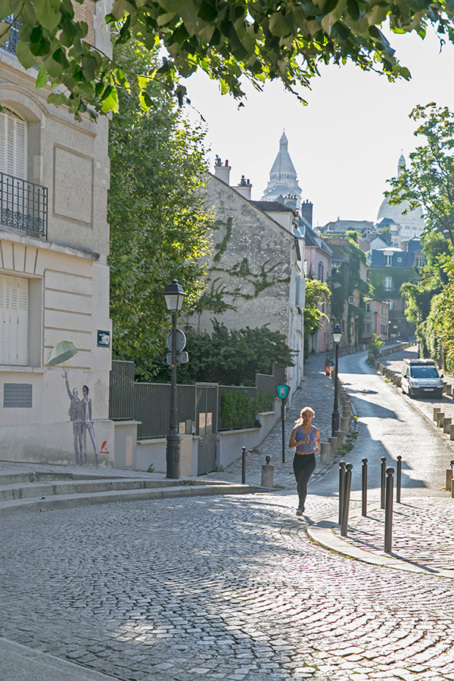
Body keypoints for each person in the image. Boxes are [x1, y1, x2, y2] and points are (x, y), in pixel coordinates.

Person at [288, 406, 320, 516]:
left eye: (309, 416)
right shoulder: (296, 430)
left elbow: (317, 440)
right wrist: (301, 441)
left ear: (312, 417)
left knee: (303, 482)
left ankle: (300, 507)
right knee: (299, 484)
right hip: (298, 459)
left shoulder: (315, 430)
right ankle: (301, 503)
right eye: (305, 415)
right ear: (302, 416)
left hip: (310, 460)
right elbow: (290, 445)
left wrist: (317, 447)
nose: (307, 418)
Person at [82, 385, 98, 467]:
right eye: (83, 391)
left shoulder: (89, 400)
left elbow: (90, 411)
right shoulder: (83, 401)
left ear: (87, 392)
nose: (83, 392)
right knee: (84, 440)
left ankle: (96, 455)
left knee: (93, 438)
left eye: (84, 391)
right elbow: (82, 413)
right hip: (84, 422)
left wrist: (91, 421)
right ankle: (85, 458)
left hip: (89, 422)